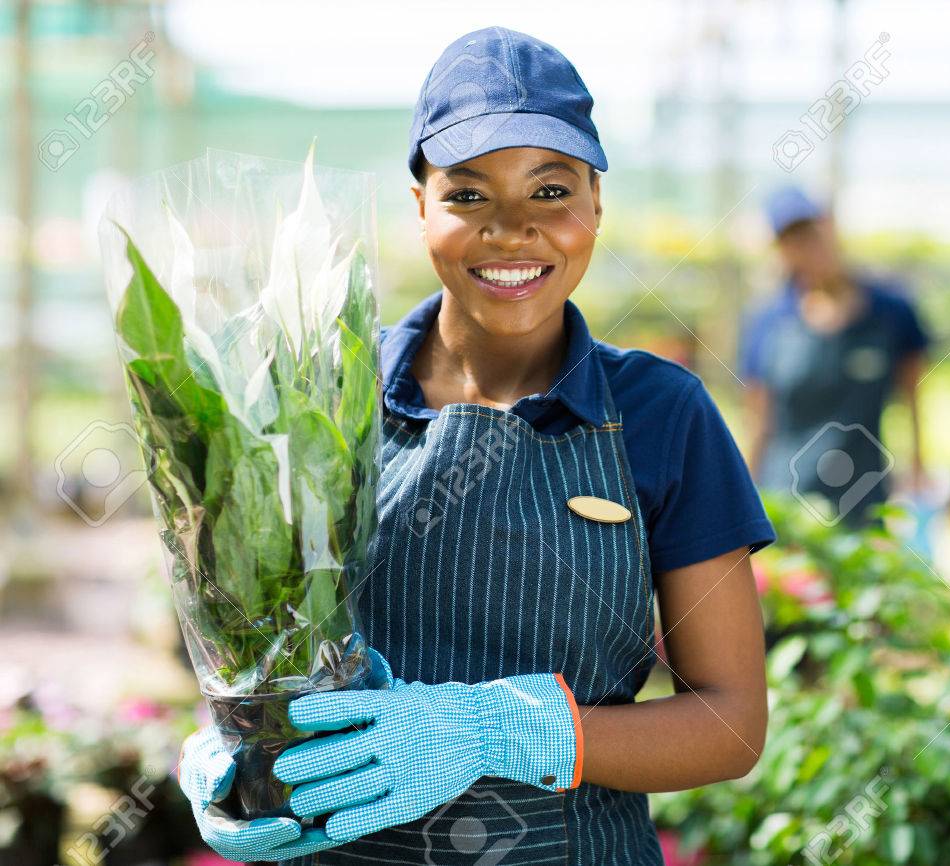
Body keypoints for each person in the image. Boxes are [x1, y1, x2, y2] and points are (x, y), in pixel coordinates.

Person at [176, 27, 774, 865]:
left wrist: (502, 731)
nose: (512, 230)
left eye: (550, 190)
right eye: (468, 196)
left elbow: (729, 724)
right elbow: (241, 647)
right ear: (419, 202)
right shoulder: (309, 399)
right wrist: (228, 747)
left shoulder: (661, 413)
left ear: (596, 204)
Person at [741, 186, 929, 527]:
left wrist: (917, 470)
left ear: (829, 228)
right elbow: (757, 419)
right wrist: (747, 502)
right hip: (787, 503)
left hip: (865, 499)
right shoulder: (769, 323)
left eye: (812, 233)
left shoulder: (891, 312)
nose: (808, 248)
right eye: (793, 241)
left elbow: (913, 394)